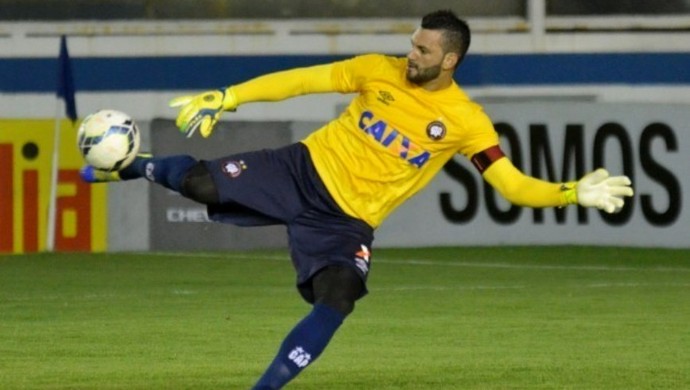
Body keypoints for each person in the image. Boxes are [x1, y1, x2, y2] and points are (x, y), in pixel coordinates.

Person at [81, 9, 634, 389]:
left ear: (449, 61)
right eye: (412, 43)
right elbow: (304, 81)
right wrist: (230, 96)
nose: (409, 53)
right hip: (301, 170)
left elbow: (510, 184)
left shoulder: (467, 123)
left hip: (346, 221)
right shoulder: (378, 70)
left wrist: (569, 192)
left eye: (422, 49)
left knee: (338, 297)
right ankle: (135, 167)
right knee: (200, 182)